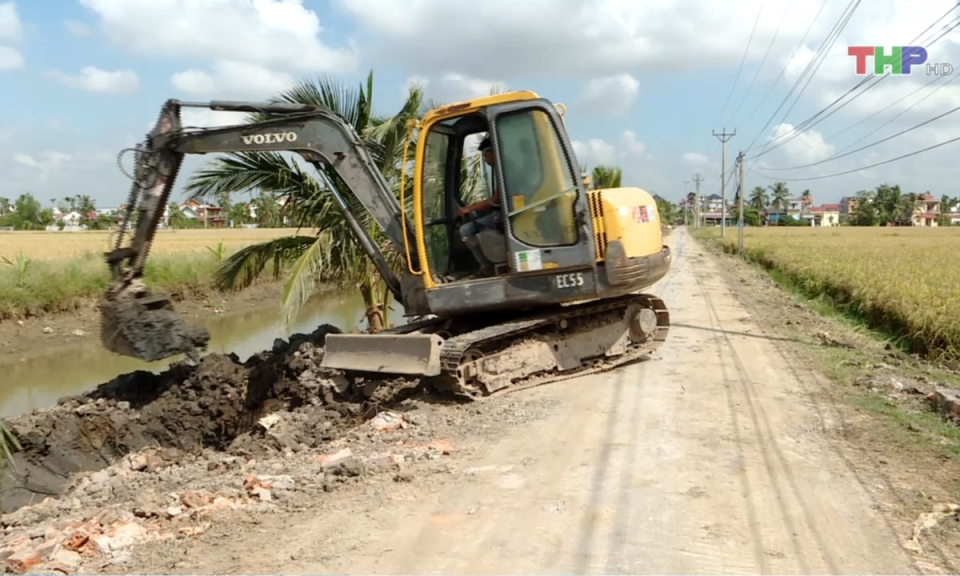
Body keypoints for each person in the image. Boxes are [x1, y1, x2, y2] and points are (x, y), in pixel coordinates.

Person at [457, 136, 502, 276]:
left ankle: (486, 265)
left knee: (466, 231)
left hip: (503, 215)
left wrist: (468, 209)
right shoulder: (502, 169)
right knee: (476, 217)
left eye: (485, 155)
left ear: (493, 153)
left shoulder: (505, 170)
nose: (484, 159)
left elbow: (495, 200)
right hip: (501, 212)